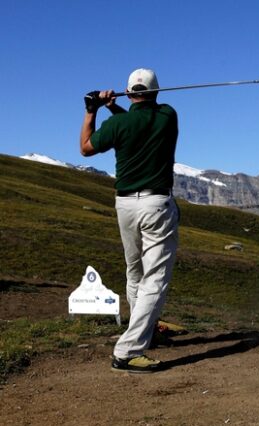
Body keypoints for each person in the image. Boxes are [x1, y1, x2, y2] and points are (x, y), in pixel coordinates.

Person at [79, 68, 180, 373]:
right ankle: (127, 350)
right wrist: (111, 107)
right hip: (156, 204)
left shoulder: (118, 123)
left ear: (129, 93)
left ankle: (143, 334)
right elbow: (140, 122)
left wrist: (92, 110)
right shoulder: (168, 115)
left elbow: (85, 147)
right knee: (155, 279)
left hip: (125, 205)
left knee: (135, 272)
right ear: (156, 92)